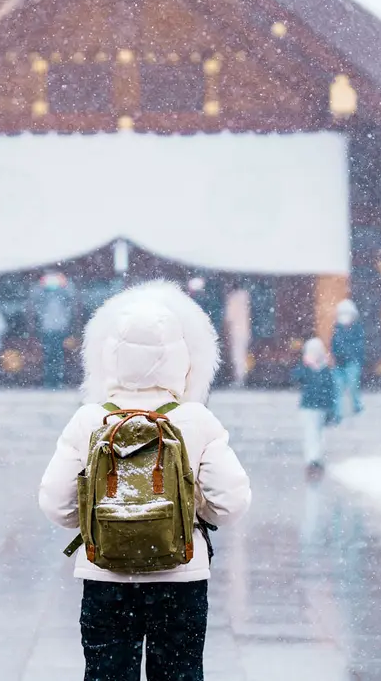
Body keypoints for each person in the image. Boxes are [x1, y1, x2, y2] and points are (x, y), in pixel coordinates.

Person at [39, 281, 252, 680]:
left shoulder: (89, 419)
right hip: (180, 576)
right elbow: (231, 503)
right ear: (183, 357)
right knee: (178, 672)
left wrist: (102, 518)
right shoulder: (195, 420)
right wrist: (186, 506)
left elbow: (57, 504)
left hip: (106, 577)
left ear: (108, 356)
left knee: (107, 673)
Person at [292, 337, 338, 481]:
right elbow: (294, 378)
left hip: (321, 407)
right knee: (310, 433)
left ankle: (317, 459)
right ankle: (312, 460)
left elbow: (330, 390)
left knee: (319, 434)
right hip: (308, 407)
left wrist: (331, 409)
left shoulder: (325, 369)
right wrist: (305, 366)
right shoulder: (305, 369)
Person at [30, 272, 76, 389]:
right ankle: (52, 381)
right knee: (53, 357)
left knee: (54, 356)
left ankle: (53, 381)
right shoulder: (50, 298)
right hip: (53, 329)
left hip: (52, 329)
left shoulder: (53, 298)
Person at [331, 299, 366, 416]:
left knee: (352, 384)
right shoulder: (337, 330)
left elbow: (359, 346)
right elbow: (334, 346)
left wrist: (351, 355)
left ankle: (356, 405)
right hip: (339, 363)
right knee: (338, 388)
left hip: (352, 362)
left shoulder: (357, 330)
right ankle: (337, 413)